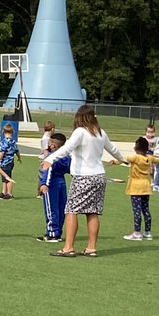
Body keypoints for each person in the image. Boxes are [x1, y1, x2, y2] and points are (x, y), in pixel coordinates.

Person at [41, 105, 126, 258]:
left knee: (71, 210)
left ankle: (68, 247)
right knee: (92, 212)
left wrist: (50, 159)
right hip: (99, 176)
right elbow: (113, 149)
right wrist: (123, 160)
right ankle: (91, 248)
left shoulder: (80, 132)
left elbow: (67, 148)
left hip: (83, 177)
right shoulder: (100, 133)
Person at [114, 137, 159, 241]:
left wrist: (115, 162)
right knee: (146, 209)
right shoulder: (149, 158)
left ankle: (137, 233)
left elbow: (123, 159)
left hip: (135, 187)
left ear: (136, 148)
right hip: (146, 187)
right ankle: (148, 232)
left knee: (136, 210)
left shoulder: (135, 158)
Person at [38, 132, 71, 242]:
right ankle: (58, 232)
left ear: (53, 145)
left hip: (51, 183)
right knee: (60, 208)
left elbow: (48, 170)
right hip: (62, 183)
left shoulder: (51, 156)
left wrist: (44, 183)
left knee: (51, 208)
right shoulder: (66, 156)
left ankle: (52, 233)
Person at [0, 122, 19, 200]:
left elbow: (2, 152)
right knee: (4, 177)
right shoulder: (13, 141)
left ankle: (9, 193)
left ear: (3, 131)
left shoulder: (4, 142)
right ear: (13, 132)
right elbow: (17, 150)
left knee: (7, 177)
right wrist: (19, 157)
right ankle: (4, 192)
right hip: (10, 161)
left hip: (5, 162)